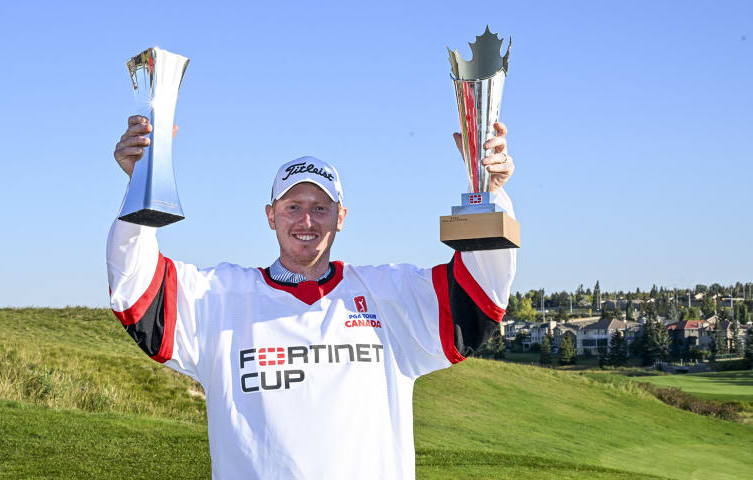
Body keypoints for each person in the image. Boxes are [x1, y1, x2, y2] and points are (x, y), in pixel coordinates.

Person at [107, 115, 516, 479]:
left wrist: (488, 192)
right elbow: (136, 291)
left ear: (341, 217)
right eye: (293, 206)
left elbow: (480, 294)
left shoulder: (390, 293)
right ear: (271, 215)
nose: (307, 220)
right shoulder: (220, 298)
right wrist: (141, 183)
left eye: (321, 208)